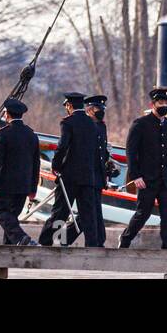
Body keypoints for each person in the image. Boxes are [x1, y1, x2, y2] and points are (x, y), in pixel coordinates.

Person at [118, 87, 167, 250]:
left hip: (166, 179)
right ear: (152, 104)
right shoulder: (140, 124)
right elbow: (131, 152)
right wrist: (136, 175)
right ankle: (125, 239)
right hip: (147, 179)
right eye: (161, 102)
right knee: (142, 213)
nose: (164, 105)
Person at [37, 91, 102, 247]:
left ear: (69, 105)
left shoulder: (68, 122)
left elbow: (62, 147)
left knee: (60, 211)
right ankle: (92, 245)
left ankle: (46, 242)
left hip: (70, 176)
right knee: (88, 214)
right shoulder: (92, 124)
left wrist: (56, 166)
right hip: (88, 176)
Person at [0, 97, 40, 245]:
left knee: (1, 214)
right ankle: (8, 251)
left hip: (6, 185)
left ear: (7, 114)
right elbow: (36, 164)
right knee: (12, 218)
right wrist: (33, 188)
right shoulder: (31, 135)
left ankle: (21, 238)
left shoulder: (3, 134)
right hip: (24, 185)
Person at [61, 93, 112, 245]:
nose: (100, 111)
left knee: (90, 212)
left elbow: (102, 152)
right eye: (97, 108)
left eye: (102, 108)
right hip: (86, 174)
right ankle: (96, 241)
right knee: (89, 212)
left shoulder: (101, 126)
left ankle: (66, 239)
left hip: (97, 175)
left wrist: (108, 167)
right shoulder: (86, 126)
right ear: (89, 109)